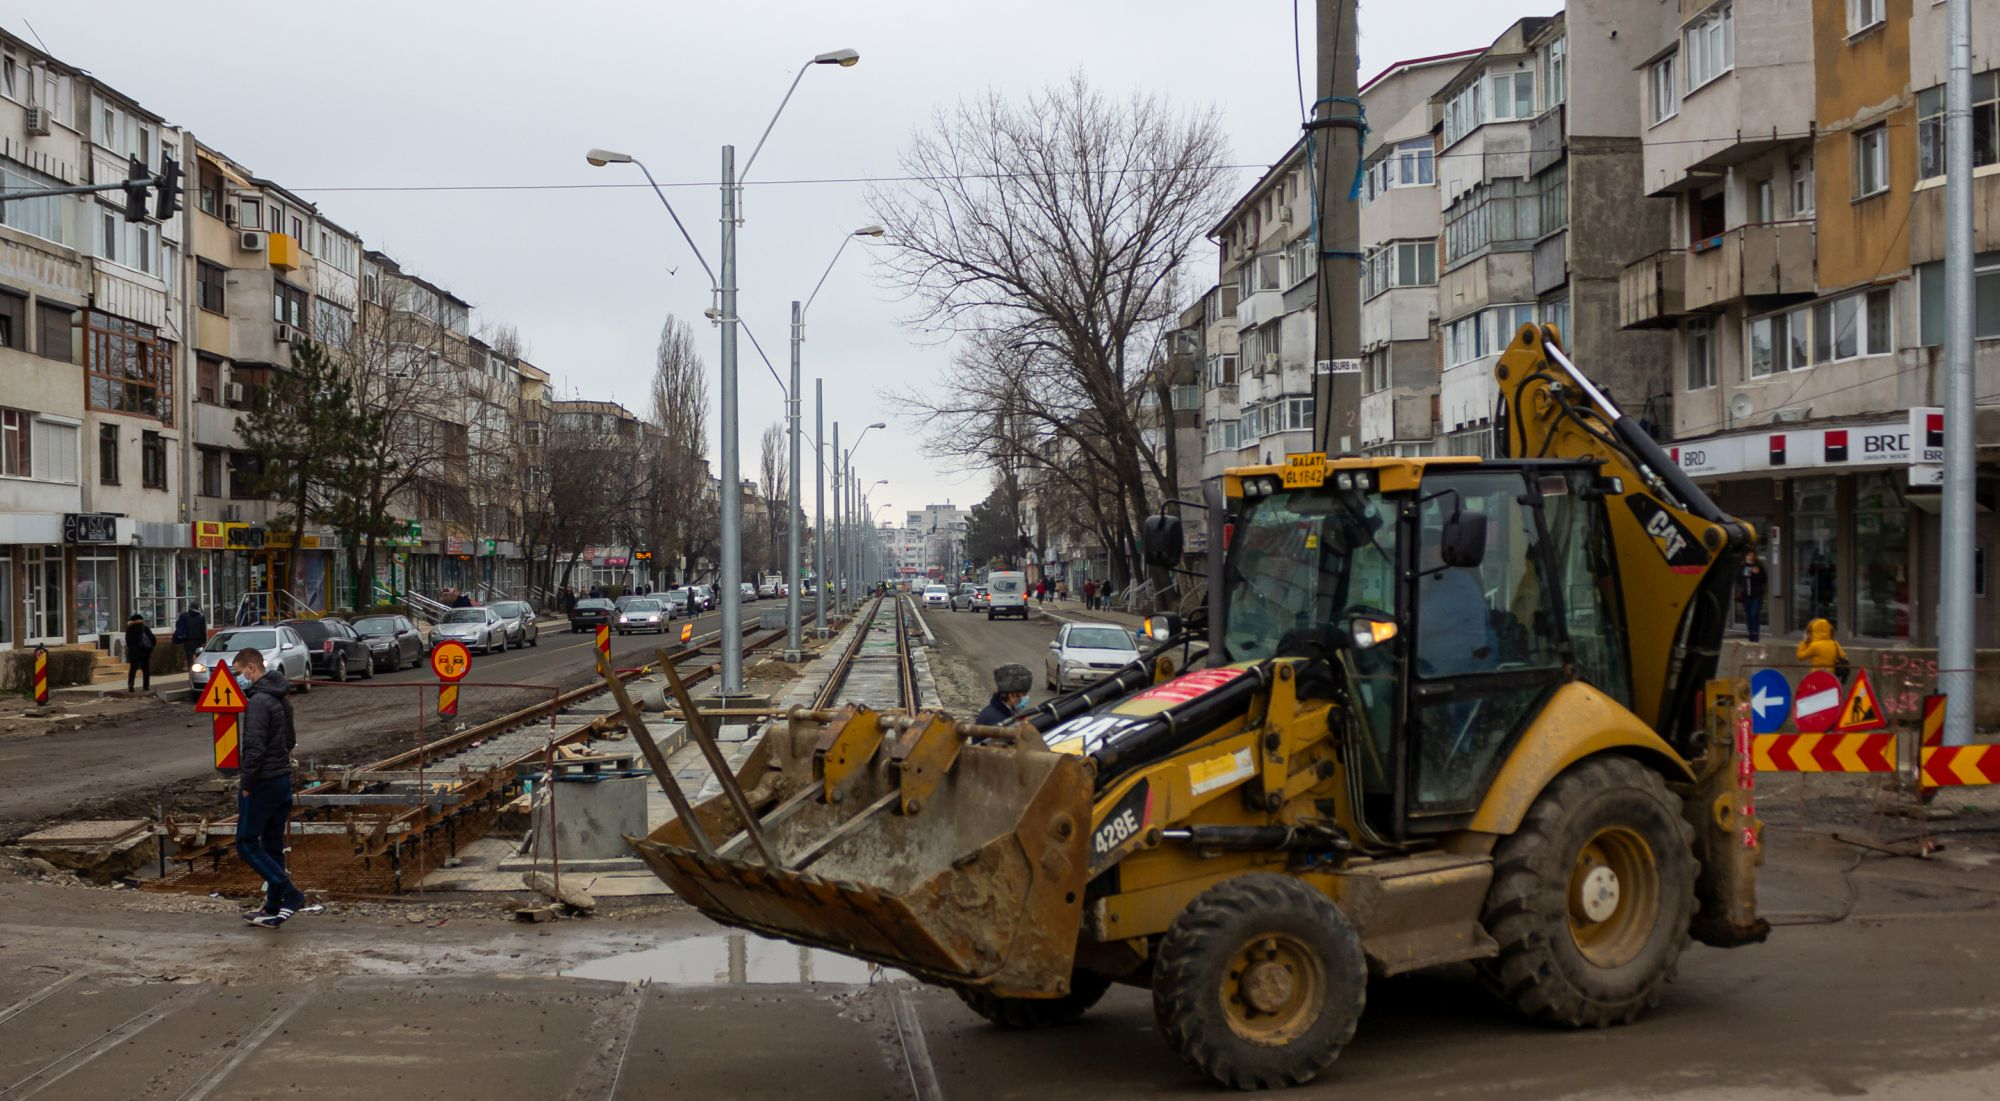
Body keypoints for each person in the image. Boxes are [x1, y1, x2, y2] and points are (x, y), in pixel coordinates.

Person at [233, 648, 307, 928]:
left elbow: (253, 748)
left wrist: (247, 785)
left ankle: (290, 894)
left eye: (241, 672)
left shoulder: (258, 703)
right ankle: (272, 908)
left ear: (252, 668)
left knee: (246, 843)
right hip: (282, 779)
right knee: (272, 844)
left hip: (262, 780)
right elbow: (290, 740)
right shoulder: (281, 698)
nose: (242, 678)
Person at [1737, 550, 1768, 643]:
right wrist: (1742, 588)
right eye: (1749, 555)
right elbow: (1738, 579)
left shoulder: (1758, 567)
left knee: (1755, 614)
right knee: (1749, 615)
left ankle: (1755, 634)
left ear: (1755, 557)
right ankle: (1750, 633)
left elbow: (1764, 580)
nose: (1751, 557)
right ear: (1745, 556)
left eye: (1752, 555)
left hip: (1757, 595)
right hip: (1746, 595)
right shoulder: (1742, 567)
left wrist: (1757, 573)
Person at [124, 612, 155, 693]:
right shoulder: (145, 628)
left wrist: (131, 648)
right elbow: (153, 639)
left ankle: (131, 685)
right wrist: (150, 648)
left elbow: (128, 641)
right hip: (145, 652)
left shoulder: (130, 630)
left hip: (134, 652)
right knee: (145, 669)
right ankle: (146, 686)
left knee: (133, 668)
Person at [172, 603, 208, 672]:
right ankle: (199, 672)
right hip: (198, 641)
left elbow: (178, 625)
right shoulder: (201, 617)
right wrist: (204, 641)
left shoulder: (184, 616)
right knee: (199, 658)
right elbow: (203, 631)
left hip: (187, 641)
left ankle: (190, 673)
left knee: (189, 659)